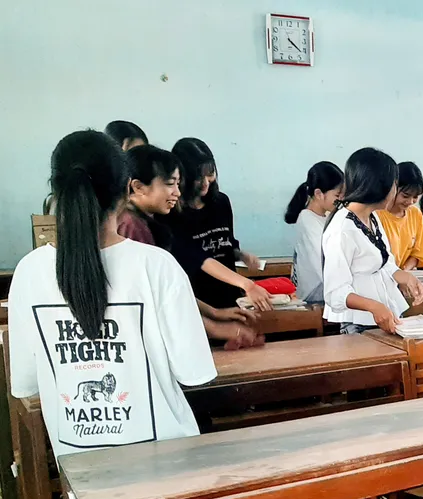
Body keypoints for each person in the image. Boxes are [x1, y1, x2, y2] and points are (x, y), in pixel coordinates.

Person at [7, 130, 216, 461]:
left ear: (57, 192)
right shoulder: (156, 266)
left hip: (80, 467)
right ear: (125, 190)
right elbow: (194, 372)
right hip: (167, 463)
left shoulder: (29, 272)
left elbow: (26, 383)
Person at [120, 145, 259, 346]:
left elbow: (172, 289)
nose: (177, 192)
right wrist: (217, 328)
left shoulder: (148, 223)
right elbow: (159, 299)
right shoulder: (132, 227)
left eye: (178, 184)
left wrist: (214, 313)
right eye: (170, 184)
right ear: (138, 187)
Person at [322, 148, 423, 334]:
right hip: (358, 323)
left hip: (385, 314)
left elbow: (384, 263)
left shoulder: (372, 217)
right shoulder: (342, 229)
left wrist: (405, 277)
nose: (394, 191)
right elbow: (335, 293)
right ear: (379, 186)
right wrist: (373, 306)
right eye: (394, 185)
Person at [168, 138, 271, 311]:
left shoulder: (221, 202)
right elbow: (198, 259)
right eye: (198, 177)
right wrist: (247, 284)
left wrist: (240, 255)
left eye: (210, 173)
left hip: (230, 295)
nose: (206, 182)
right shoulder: (172, 213)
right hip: (198, 302)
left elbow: (226, 242)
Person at [284, 161, 345, 303]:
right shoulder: (307, 219)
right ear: (318, 194)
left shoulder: (326, 216)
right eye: (337, 195)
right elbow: (324, 263)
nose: (341, 200)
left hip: (326, 292)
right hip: (314, 297)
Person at [376, 162, 423, 271]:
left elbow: (418, 253)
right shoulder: (377, 214)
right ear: (393, 188)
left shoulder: (415, 215)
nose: (410, 201)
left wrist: (404, 272)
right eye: (405, 196)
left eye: (415, 197)